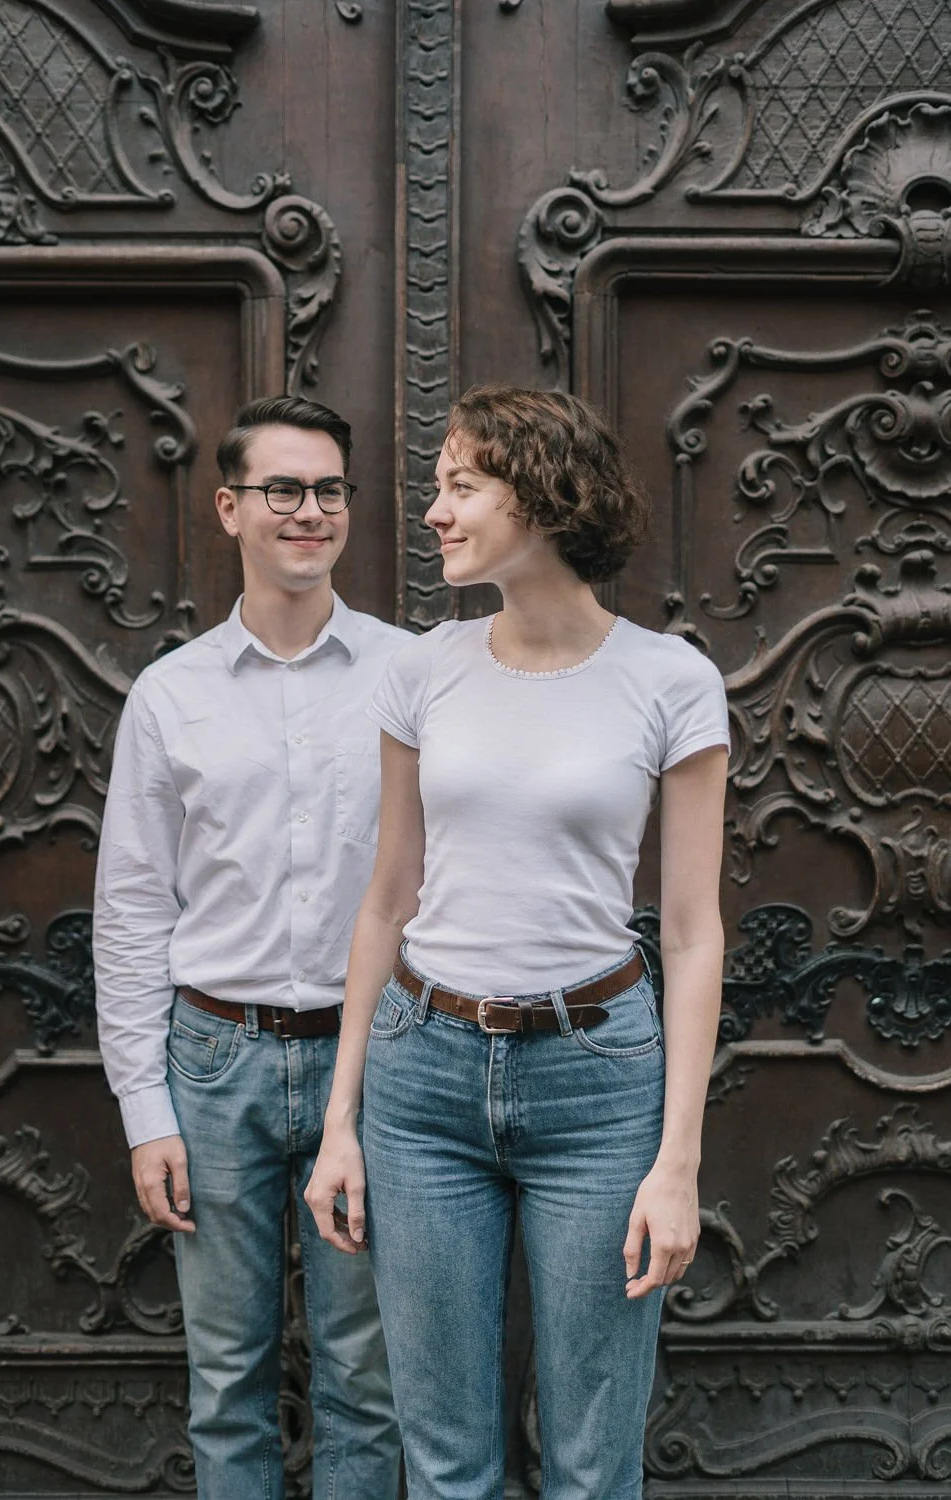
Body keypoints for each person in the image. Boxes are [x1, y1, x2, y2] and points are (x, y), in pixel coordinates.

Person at [305, 386, 730, 1500]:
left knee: (593, 1461)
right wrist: (340, 1123)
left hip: (596, 1082)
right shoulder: (423, 671)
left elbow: (690, 931)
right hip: (423, 1075)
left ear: (546, 496)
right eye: (438, 486)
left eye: (461, 485)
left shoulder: (670, 680)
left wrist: (676, 1162)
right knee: (444, 1455)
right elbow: (386, 899)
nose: (434, 512)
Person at [94, 395, 404, 1500]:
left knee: (367, 1377)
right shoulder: (169, 697)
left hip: (366, 1064)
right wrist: (145, 1114)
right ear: (230, 507)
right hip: (212, 1061)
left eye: (329, 490)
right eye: (283, 489)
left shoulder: (410, 677)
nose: (309, 511)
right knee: (226, 1376)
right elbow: (132, 910)